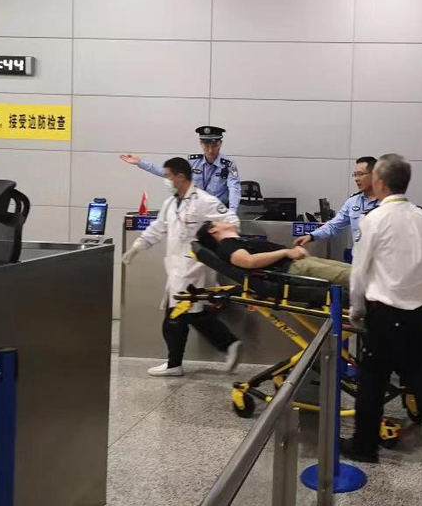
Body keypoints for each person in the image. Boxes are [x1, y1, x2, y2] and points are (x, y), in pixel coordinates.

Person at [343, 153, 422, 491]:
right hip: (419, 320)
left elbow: (359, 272)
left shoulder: (374, 219)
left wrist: (356, 310)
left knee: (371, 383)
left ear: (380, 182)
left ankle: (364, 446)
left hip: (384, 318)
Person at [122, 157, 243, 377]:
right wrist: (137, 247)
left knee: (175, 317)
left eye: (168, 176)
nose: (166, 180)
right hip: (176, 267)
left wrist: (213, 242)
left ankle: (175, 364)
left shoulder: (204, 200)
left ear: (180, 176)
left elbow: (232, 221)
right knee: (193, 314)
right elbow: (157, 228)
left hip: (193, 268)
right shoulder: (171, 203)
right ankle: (228, 344)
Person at [120, 125, 242, 212]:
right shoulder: (193, 162)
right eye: (206, 146)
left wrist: (231, 213)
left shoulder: (228, 164)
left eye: (214, 146)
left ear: (220, 144)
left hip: (217, 210)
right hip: (195, 210)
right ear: (201, 144)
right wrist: (140, 163)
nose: (210, 150)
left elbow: (234, 189)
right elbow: (169, 173)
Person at [196, 221, 350, 288]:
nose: (223, 221)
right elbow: (249, 261)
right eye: (219, 221)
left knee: (352, 271)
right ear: (212, 230)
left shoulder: (237, 241)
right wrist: (286, 252)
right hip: (292, 269)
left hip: (298, 263)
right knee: (349, 276)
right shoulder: (226, 246)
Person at [293, 157, 379, 247]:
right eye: (355, 175)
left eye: (360, 174)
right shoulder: (353, 202)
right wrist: (311, 236)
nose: (356, 179)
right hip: (359, 254)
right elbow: (333, 226)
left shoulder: (386, 202)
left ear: (374, 175)